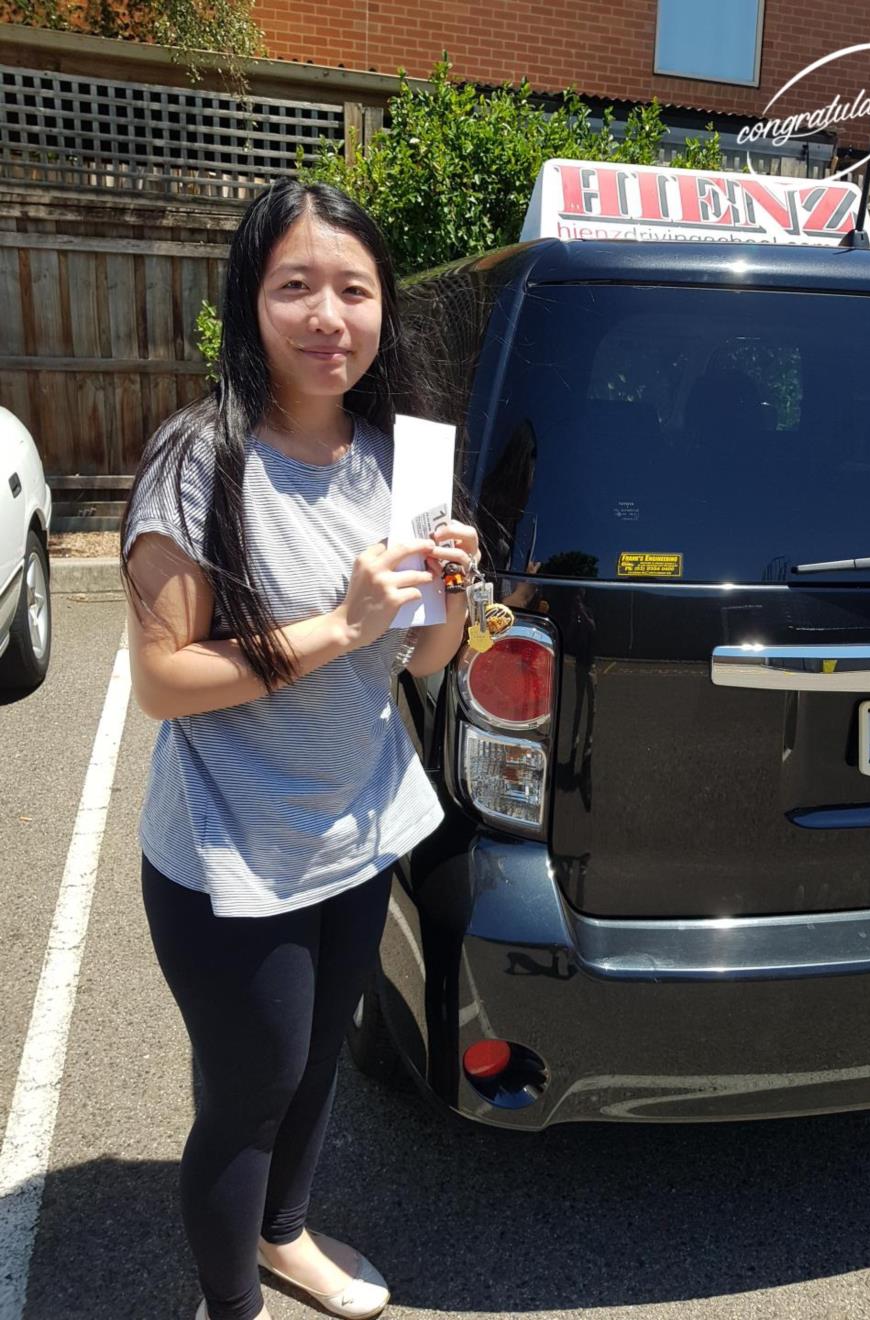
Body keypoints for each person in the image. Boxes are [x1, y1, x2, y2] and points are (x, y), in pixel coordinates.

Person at [119, 178, 479, 1320]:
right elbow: (162, 681)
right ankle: (233, 1303)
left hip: (358, 825)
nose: (329, 316)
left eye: (354, 290)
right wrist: (342, 625)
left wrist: (453, 594)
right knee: (251, 1092)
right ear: (251, 300)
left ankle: (285, 1236)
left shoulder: (400, 460)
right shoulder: (199, 461)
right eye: (296, 286)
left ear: (383, 309)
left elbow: (424, 660)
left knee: (320, 1059)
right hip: (233, 848)